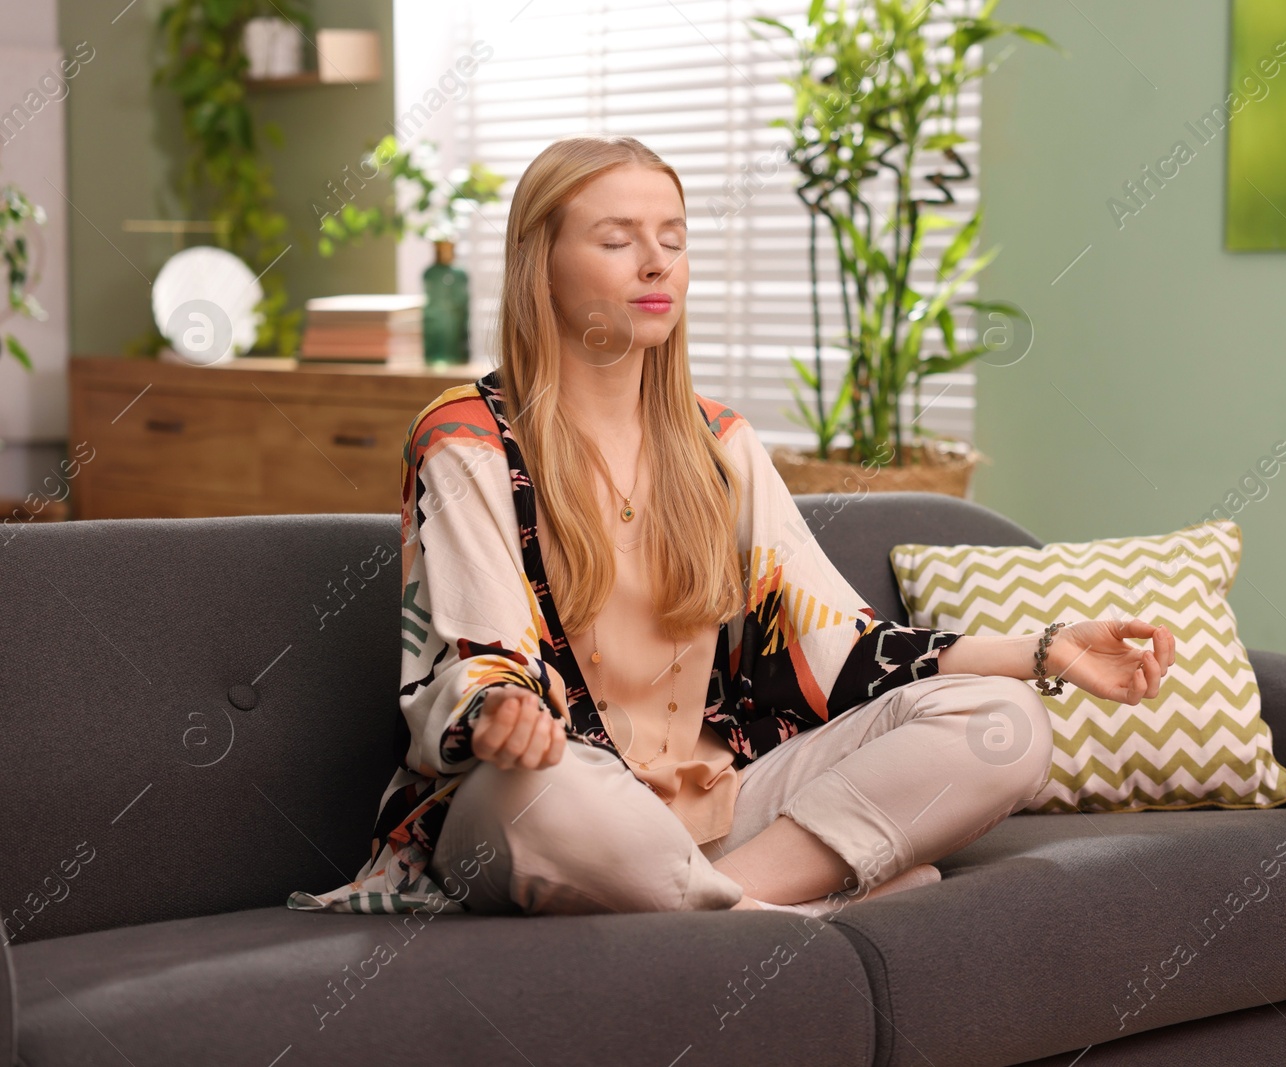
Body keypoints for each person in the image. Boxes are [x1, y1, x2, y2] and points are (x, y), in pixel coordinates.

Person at [286, 135, 1173, 919]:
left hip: (722, 803)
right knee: (541, 793)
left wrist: (1047, 649)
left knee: (1005, 723)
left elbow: (847, 648)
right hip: (561, 804)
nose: (656, 263)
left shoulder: (720, 444)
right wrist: (502, 712)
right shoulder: (466, 438)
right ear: (539, 263)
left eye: (672, 239)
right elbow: (475, 653)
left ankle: (729, 902)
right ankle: (797, 907)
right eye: (616, 239)